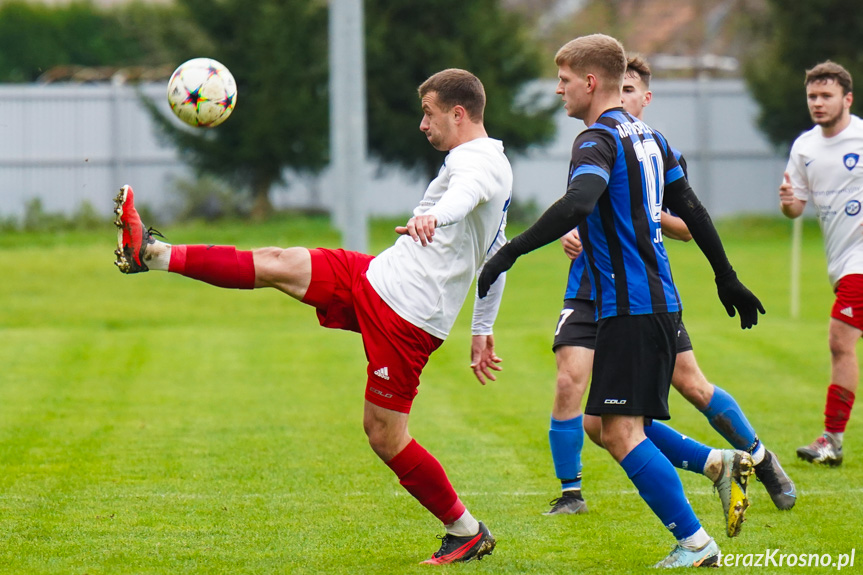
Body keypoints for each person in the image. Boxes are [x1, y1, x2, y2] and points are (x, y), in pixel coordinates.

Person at [113, 68, 509, 564]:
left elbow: (463, 195)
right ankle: (153, 253)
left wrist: (437, 216)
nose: (422, 124)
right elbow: (500, 255)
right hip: (377, 277)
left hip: (407, 318)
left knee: (384, 434)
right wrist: (482, 326)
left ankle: (466, 530)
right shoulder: (481, 160)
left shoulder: (479, 164)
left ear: (458, 113)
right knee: (280, 262)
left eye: (428, 114)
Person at [478, 34, 765, 568]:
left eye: (564, 80)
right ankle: (716, 469)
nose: (559, 90)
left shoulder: (596, 139)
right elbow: (694, 210)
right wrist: (726, 276)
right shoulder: (651, 137)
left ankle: (696, 543)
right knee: (608, 423)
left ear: (590, 82)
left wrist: (508, 253)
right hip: (654, 304)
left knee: (617, 431)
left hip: (630, 308)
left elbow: (579, 201)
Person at [542, 55, 796, 529]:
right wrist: (573, 230)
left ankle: (755, 460)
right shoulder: (598, 144)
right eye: (623, 90)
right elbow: (579, 207)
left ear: (643, 98)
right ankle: (572, 491)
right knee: (578, 395)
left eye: (633, 92)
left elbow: (685, 226)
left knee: (690, 386)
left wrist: (642, 218)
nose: (625, 99)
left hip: (642, 295)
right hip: (589, 291)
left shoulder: (653, 151)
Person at [780, 60, 862, 467]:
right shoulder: (805, 147)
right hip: (840, 261)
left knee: (839, 340)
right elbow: (795, 208)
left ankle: (831, 440)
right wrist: (788, 202)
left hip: (859, 263)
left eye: (826, 96)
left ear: (846, 99)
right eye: (812, 96)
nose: (818, 102)